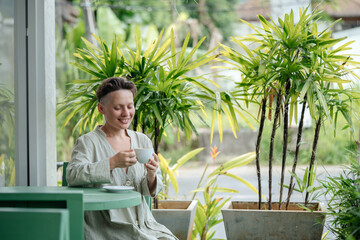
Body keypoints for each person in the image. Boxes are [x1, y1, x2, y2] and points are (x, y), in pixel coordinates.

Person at [66, 77, 178, 240]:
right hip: (105, 227)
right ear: (101, 108)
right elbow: (73, 175)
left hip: (144, 224)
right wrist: (112, 163)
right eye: (118, 108)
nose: (126, 113)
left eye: (130, 106)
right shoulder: (88, 142)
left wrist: (152, 175)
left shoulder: (142, 141)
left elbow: (152, 190)